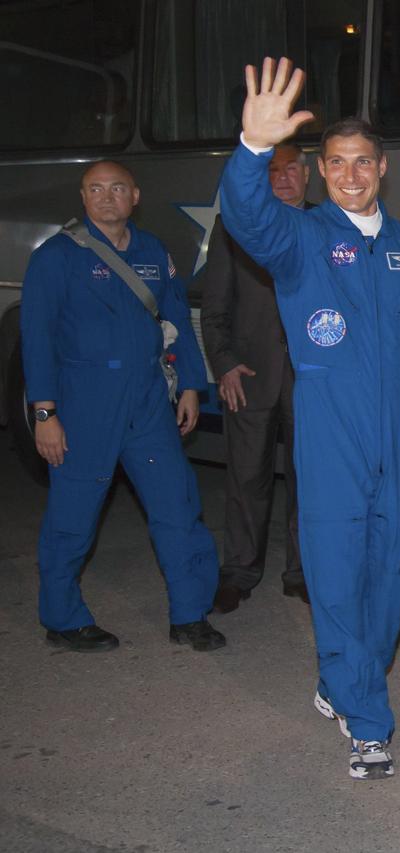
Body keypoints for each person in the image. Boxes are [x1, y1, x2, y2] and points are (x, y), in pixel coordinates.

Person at [217, 57, 400, 781]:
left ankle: (342, 678)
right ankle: (369, 720)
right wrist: (251, 148)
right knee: (336, 572)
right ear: (323, 171)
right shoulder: (301, 240)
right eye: (336, 163)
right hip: (330, 426)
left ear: (383, 167)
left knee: (391, 569)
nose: (350, 174)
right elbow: (245, 214)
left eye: (362, 161)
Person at [21, 160, 224, 653]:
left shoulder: (154, 251)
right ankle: (63, 617)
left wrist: (192, 386)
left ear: (135, 196)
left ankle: (190, 613)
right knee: (73, 514)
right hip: (84, 403)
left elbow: (176, 314)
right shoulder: (56, 256)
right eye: (95, 188)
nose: (106, 197)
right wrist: (45, 414)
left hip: (148, 401)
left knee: (177, 507)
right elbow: (36, 340)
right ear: (83, 196)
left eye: (117, 188)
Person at [202, 142, 311, 613]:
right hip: (249, 373)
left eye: (292, 169)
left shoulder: (329, 225)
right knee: (246, 478)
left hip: (315, 379)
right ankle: (239, 571)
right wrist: (223, 362)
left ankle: (304, 573)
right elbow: (215, 306)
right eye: (273, 171)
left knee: (312, 481)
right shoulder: (234, 227)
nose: (283, 177)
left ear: (309, 175)